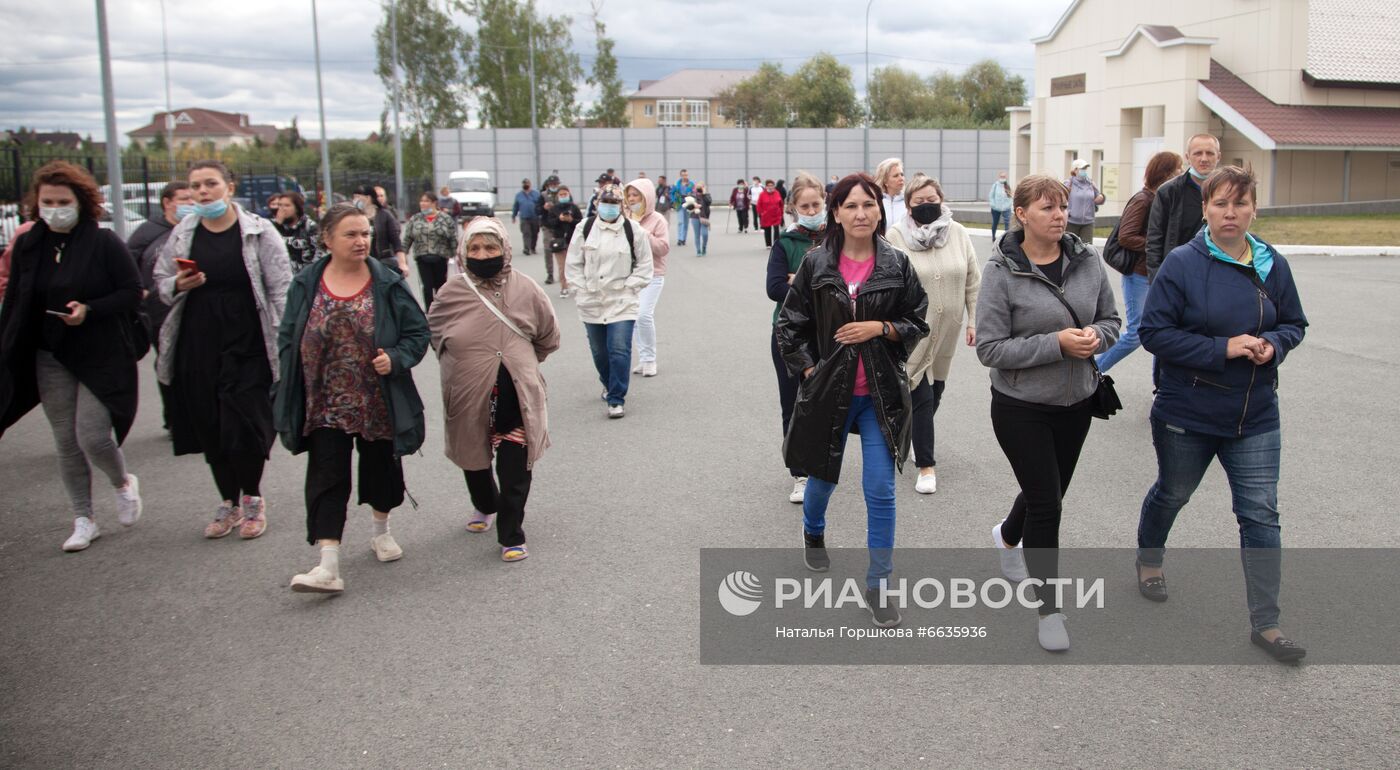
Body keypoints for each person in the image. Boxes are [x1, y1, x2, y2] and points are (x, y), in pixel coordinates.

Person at [1135, 165, 1310, 663]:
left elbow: (1294, 323)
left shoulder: (1272, 264)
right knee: (1173, 492)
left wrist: (1272, 345)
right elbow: (1154, 333)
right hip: (1187, 411)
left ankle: (1268, 623)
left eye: (1240, 203)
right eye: (1220, 204)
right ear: (1206, 208)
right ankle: (1150, 559)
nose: (1230, 213)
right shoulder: (1181, 264)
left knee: (1261, 515)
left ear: (1254, 207)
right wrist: (1223, 347)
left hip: (1254, 415)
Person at [776, 173, 930, 628]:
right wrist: (811, 370)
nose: (861, 213)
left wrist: (880, 328)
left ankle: (878, 584)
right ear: (836, 212)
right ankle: (813, 531)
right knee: (822, 481)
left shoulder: (897, 264)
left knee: (880, 492)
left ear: (880, 210)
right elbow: (790, 326)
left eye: (869, 204)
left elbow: (917, 320)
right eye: (851, 206)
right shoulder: (815, 265)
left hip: (879, 394)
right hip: (829, 394)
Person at [974, 174, 1120, 652]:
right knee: (1048, 505)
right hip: (1020, 407)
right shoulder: (1001, 270)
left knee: (1047, 493)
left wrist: (1097, 337)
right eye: (1047, 208)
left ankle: (1007, 535)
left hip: (1076, 402)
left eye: (1062, 207)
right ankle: (1049, 609)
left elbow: (1113, 321)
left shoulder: (1087, 260)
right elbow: (991, 349)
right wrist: (1056, 344)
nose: (1060, 216)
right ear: (1021, 215)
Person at [274, 203, 429, 593]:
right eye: (351, 234)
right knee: (327, 475)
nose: (361, 241)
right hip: (325, 401)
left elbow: (417, 333)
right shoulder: (306, 283)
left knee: (382, 468)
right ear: (327, 239)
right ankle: (328, 563)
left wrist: (395, 359)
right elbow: (288, 337)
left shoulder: (388, 281)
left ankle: (381, 530)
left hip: (377, 397)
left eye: (365, 233)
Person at [0, 161, 145, 552]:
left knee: (94, 437)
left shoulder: (104, 242)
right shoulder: (30, 244)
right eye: (47, 201)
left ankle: (122, 483)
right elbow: (17, 296)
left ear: (82, 202)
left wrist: (89, 309)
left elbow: (132, 292)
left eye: (63, 201)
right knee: (65, 439)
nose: (55, 209)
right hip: (50, 353)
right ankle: (84, 518)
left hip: (99, 353)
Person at [154, 160, 292, 540]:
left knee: (243, 423)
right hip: (198, 340)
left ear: (229, 187)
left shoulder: (258, 231)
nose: (202, 192)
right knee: (209, 423)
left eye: (211, 184)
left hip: (248, 339)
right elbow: (160, 279)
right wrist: (179, 283)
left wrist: (284, 338)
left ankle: (252, 498)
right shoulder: (184, 232)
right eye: (196, 186)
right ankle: (228, 501)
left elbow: (281, 286)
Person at [429, 217, 560, 562]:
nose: (482, 254)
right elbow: (436, 337)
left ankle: (511, 531)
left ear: (505, 249)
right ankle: (485, 503)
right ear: (463, 252)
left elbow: (548, 336)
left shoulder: (527, 287)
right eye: (474, 248)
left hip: (516, 395)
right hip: (469, 394)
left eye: (490, 247)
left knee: (515, 467)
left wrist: (522, 362)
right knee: (473, 459)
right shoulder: (450, 293)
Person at [884, 173, 981, 495]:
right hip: (913, 333)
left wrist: (973, 320)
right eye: (919, 202)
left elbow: (973, 280)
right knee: (921, 394)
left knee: (936, 390)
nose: (926, 206)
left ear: (941, 199)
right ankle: (926, 465)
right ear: (908, 205)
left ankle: (910, 433)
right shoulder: (896, 235)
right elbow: (888, 283)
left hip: (949, 330)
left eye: (931, 200)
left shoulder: (957, 233)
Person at [565, 183, 654, 418]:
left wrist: (630, 286)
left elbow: (645, 265)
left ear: (622, 206)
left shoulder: (634, 231)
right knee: (600, 352)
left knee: (619, 349)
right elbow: (573, 264)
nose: (609, 208)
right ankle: (607, 382)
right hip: (591, 300)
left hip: (622, 300)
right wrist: (581, 290)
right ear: (597, 204)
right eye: (605, 203)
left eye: (614, 204)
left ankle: (616, 398)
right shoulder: (584, 229)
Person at [764, 171, 827, 504]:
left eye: (816, 203)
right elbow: (774, 288)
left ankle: (821, 464)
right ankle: (800, 474)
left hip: (830, 335)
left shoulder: (837, 237)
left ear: (825, 202)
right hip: (788, 335)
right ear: (794, 208)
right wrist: (812, 279)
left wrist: (798, 278)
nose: (812, 209)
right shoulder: (786, 243)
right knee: (793, 404)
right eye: (805, 205)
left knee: (825, 403)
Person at [1097, 151, 1181, 372]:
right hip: (1139, 275)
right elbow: (1126, 236)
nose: (1181, 173)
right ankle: (1094, 371)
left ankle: (1160, 383)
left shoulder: (1162, 198)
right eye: (1177, 169)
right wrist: (1157, 245)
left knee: (1162, 329)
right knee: (1136, 334)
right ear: (1166, 173)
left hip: (1156, 274)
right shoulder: (1143, 200)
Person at [127, 181, 194, 431]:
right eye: (184, 199)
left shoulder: (194, 228)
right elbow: (128, 261)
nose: (190, 203)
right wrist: (139, 289)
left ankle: (194, 414)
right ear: (167, 203)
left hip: (189, 304)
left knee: (191, 361)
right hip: (157, 308)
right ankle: (174, 418)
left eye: (192, 199)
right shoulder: (147, 231)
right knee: (168, 360)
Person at [1147, 133, 1220, 280]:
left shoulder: (1228, 191)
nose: (1204, 159)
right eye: (1198, 153)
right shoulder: (1169, 191)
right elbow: (1154, 240)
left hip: (1216, 273)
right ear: (1188, 157)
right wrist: (1157, 279)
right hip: (1178, 274)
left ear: (1218, 156)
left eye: (1210, 153)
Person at [624, 178, 670, 377]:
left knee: (643, 315)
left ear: (646, 197)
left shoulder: (657, 219)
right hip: (629, 275)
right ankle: (643, 358)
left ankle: (650, 359)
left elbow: (663, 248)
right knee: (633, 317)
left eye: (636, 195)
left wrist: (642, 232)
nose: (632, 199)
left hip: (653, 274)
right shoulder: (624, 216)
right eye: (630, 195)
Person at [402, 191, 459, 312]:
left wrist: (457, 257)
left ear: (434, 203)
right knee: (427, 287)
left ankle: (441, 310)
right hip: (422, 257)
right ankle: (430, 311)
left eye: (426, 201)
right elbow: (407, 238)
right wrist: (403, 255)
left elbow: (453, 238)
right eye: (422, 201)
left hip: (440, 257)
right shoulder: (415, 219)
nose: (423, 204)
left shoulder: (445, 219)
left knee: (441, 286)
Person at [352, 185, 408, 277]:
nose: (355, 200)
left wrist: (402, 263)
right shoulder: (354, 216)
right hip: (362, 263)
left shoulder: (384, 215)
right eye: (354, 197)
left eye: (358, 197)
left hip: (383, 261)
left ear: (368, 198)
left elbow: (396, 241)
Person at [543, 184, 582, 298]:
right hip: (559, 240)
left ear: (569, 194)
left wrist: (571, 220)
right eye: (561, 194)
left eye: (565, 194)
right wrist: (559, 219)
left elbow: (580, 222)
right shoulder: (554, 209)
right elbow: (549, 223)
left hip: (573, 240)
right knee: (562, 265)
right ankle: (564, 287)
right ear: (557, 196)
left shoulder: (574, 208)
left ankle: (576, 285)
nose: (563, 196)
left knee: (575, 264)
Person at [271, 191, 322, 273]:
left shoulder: (309, 227)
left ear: (297, 208)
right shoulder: (272, 227)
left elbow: (319, 253)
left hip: (304, 276)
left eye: (287, 205)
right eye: (280, 205)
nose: (282, 209)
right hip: (281, 277)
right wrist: (277, 225)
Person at [1065, 159, 1104, 242]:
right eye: (1082, 169)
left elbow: (1098, 197)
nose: (1084, 171)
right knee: (1069, 246)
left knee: (1087, 249)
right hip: (1071, 222)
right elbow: (1060, 198)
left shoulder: (1090, 183)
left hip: (1088, 222)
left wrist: (1101, 198)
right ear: (1075, 170)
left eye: (1085, 169)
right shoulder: (1068, 183)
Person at [512, 178, 542, 256]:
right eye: (524, 184)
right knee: (526, 233)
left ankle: (533, 248)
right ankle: (527, 248)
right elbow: (516, 206)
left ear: (530, 184)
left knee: (535, 233)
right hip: (524, 217)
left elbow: (540, 205)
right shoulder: (519, 195)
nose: (525, 185)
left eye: (527, 183)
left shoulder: (536, 194)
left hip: (535, 217)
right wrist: (514, 216)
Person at [874, 157, 906, 227]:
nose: (901, 178)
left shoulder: (909, 202)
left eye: (902, 174)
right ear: (885, 181)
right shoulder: (877, 202)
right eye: (896, 176)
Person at [756, 179, 784, 249]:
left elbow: (781, 203)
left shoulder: (777, 193)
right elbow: (759, 204)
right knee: (767, 230)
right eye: (768, 185)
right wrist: (761, 212)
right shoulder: (762, 194)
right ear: (766, 186)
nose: (770, 187)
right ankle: (768, 244)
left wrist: (781, 212)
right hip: (766, 215)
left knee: (776, 230)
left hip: (776, 215)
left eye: (772, 185)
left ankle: (776, 243)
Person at [688, 182, 712, 256]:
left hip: (704, 217)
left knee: (705, 234)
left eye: (700, 187)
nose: (699, 189)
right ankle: (698, 250)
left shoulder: (707, 195)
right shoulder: (692, 196)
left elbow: (709, 202)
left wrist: (704, 194)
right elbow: (688, 207)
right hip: (694, 217)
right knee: (697, 235)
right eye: (697, 187)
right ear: (695, 188)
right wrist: (694, 206)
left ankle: (704, 247)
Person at [671, 170, 695, 246]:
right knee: (680, 222)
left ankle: (684, 238)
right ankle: (680, 238)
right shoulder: (676, 183)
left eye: (686, 175)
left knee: (686, 223)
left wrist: (691, 194)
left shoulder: (691, 184)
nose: (685, 177)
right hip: (679, 204)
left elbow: (695, 193)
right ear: (680, 175)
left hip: (688, 203)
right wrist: (673, 200)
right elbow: (672, 192)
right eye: (683, 175)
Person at [988, 171, 1013, 241]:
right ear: (999, 177)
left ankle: (1007, 238)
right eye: (1001, 177)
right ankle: (993, 236)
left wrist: (1008, 205)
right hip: (996, 208)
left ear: (1006, 177)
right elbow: (991, 196)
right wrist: (993, 205)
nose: (1002, 178)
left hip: (1006, 208)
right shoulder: (995, 185)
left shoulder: (1007, 186)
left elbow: (1010, 197)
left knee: (1007, 224)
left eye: (1004, 177)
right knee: (995, 223)